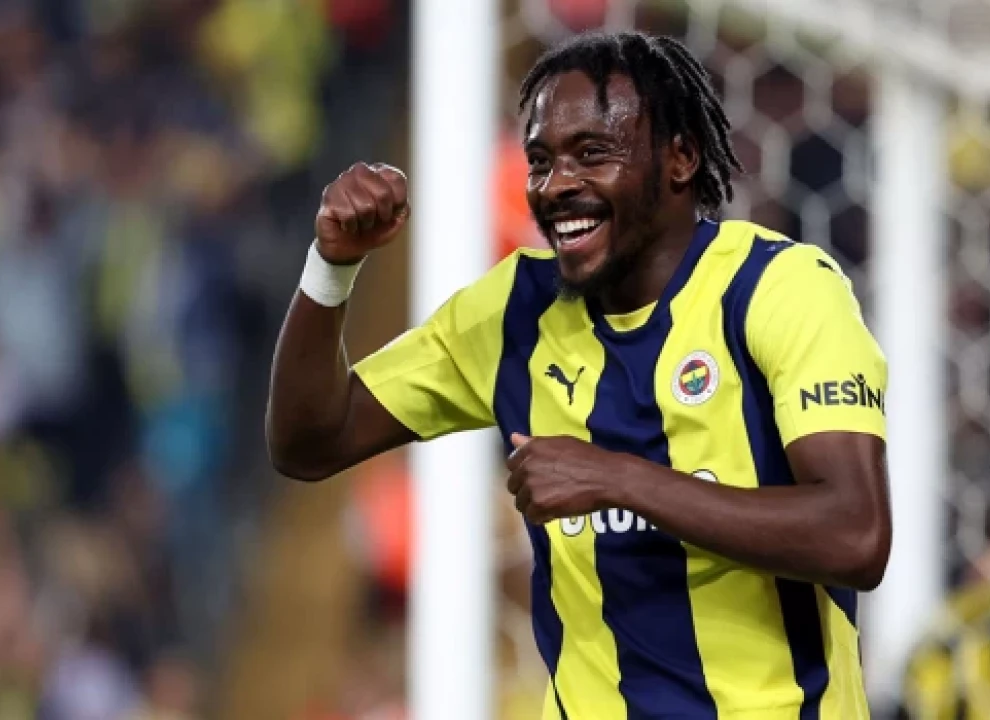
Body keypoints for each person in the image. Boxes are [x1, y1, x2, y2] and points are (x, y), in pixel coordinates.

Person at [267, 30, 892, 719]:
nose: (557, 185)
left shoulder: (779, 289)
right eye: (541, 161)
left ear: (680, 157)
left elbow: (855, 534)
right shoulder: (514, 313)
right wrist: (332, 268)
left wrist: (617, 479)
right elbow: (308, 442)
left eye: (592, 154)